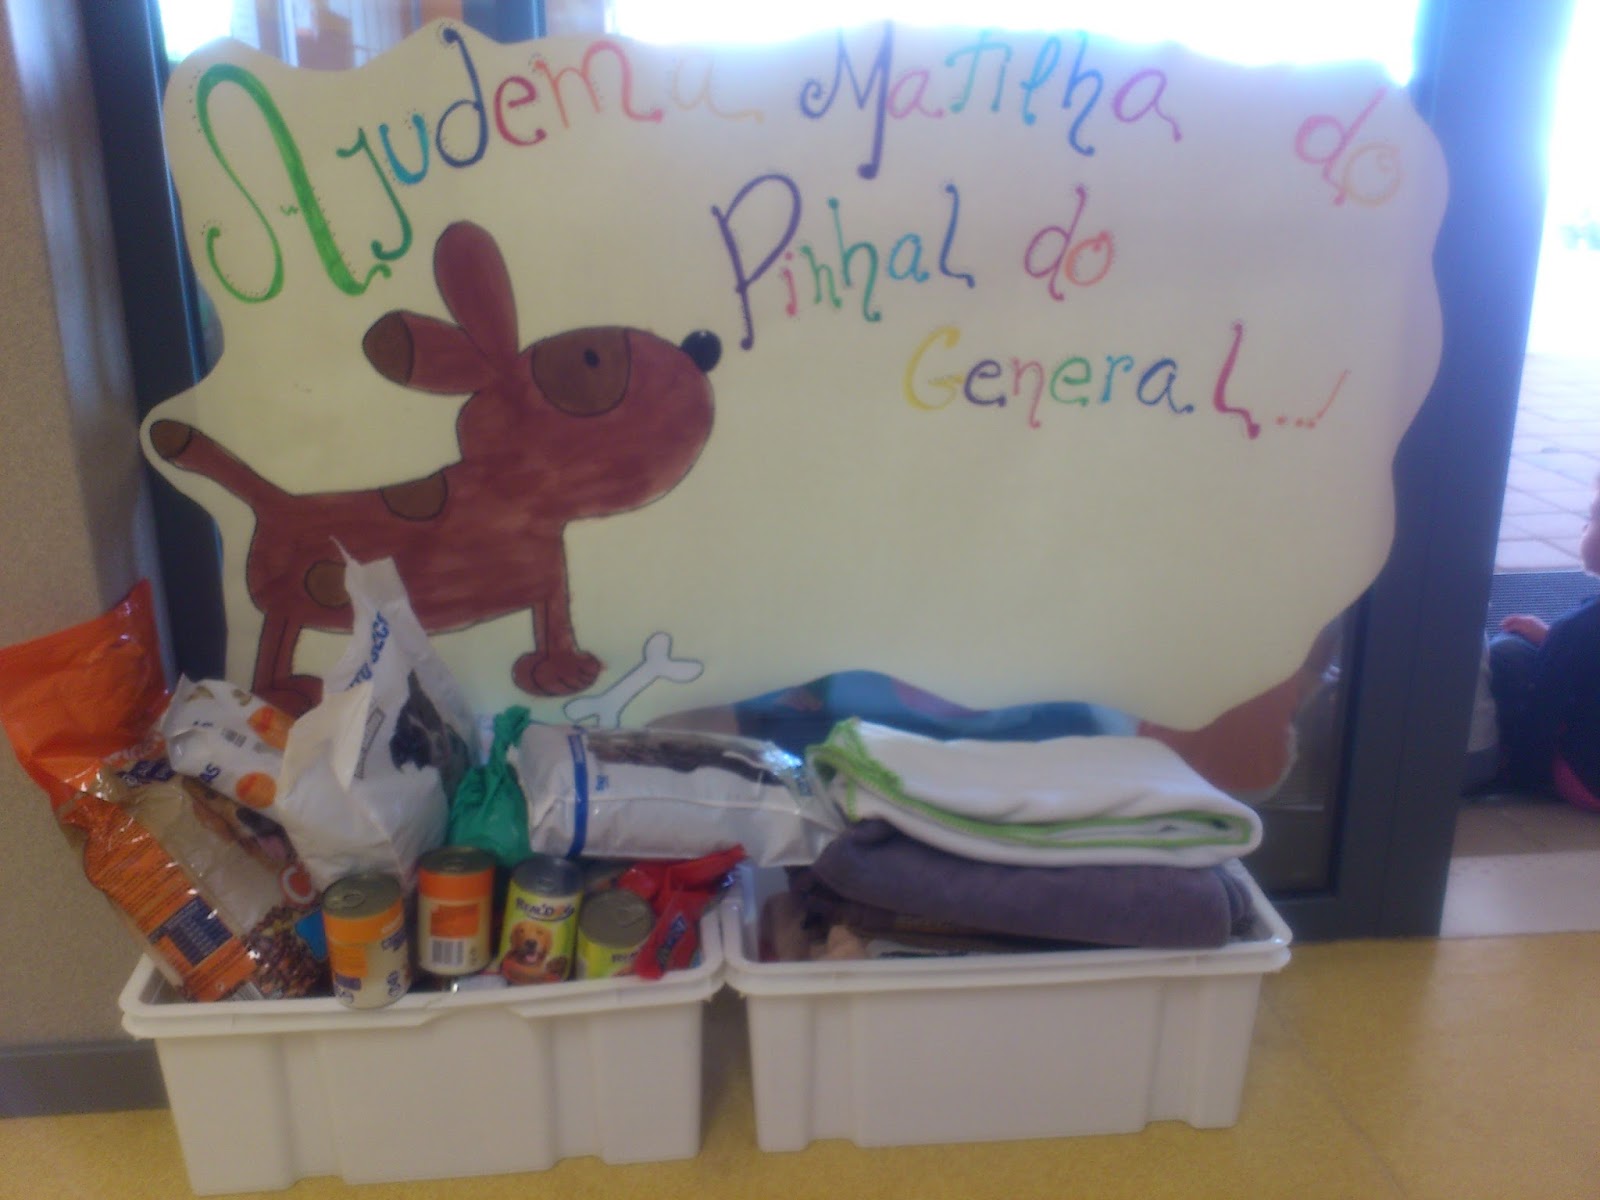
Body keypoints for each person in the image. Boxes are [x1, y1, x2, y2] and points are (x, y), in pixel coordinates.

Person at [1487, 483, 1600, 811]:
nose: (1584, 527)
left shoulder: (1577, 629)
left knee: (1508, 651)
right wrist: (1553, 639)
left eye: (1592, 518)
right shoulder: (1576, 633)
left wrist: (1518, 776)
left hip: (1587, 780)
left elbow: (1543, 716)